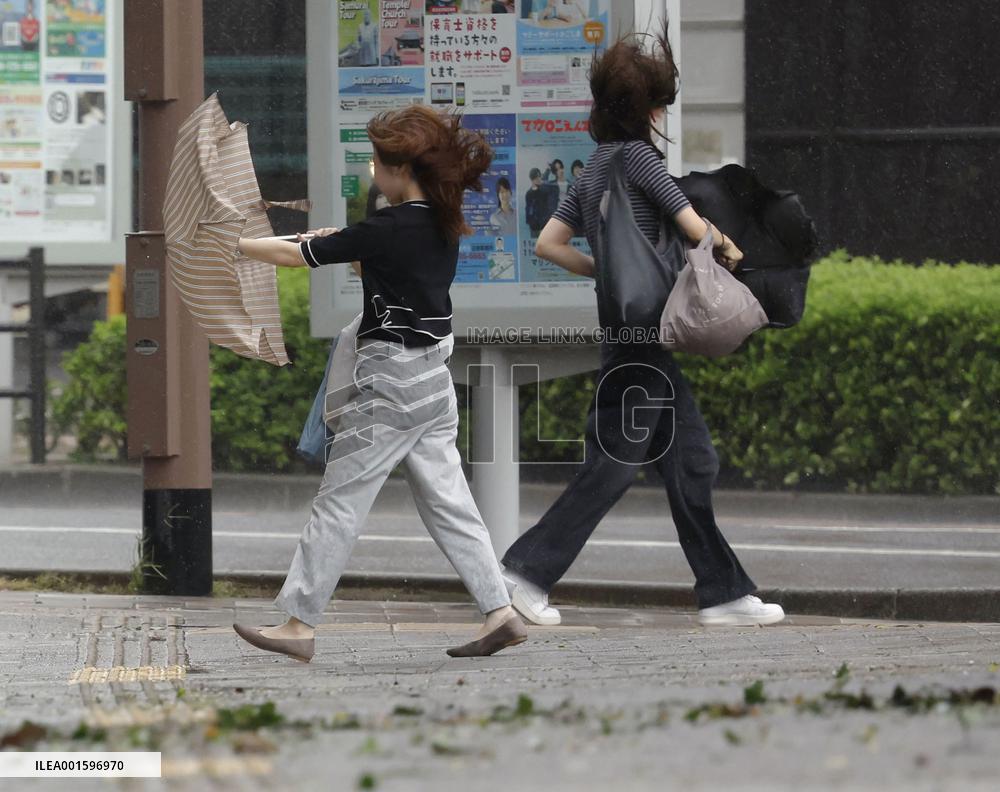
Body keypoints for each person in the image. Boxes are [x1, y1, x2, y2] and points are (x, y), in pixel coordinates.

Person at [500, 23, 786, 629]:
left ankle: (724, 592)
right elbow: (693, 227)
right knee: (612, 463)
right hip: (645, 334)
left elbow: (549, 243)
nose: (662, 112)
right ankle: (524, 573)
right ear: (648, 110)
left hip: (630, 332)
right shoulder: (639, 159)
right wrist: (731, 252)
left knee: (691, 460)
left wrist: (602, 269)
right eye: (660, 102)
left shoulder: (593, 168)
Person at [233, 106, 528, 662]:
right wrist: (348, 243)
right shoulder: (441, 220)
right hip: (433, 384)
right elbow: (387, 269)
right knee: (451, 504)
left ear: (398, 171)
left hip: (390, 385)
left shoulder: (388, 227)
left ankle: (298, 625)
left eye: (376, 162)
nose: (372, 171)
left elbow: (297, 256)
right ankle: (501, 611)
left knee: (339, 501)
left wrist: (238, 245)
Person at [524, 167, 559, 238]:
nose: (538, 179)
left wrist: (548, 170)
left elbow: (545, 178)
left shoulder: (545, 189)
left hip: (545, 223)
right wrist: (531, 223)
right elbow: (528, 209)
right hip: (534, 226)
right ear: (532, 180)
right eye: (536, 178)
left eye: (539, 177)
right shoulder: (529, 193)